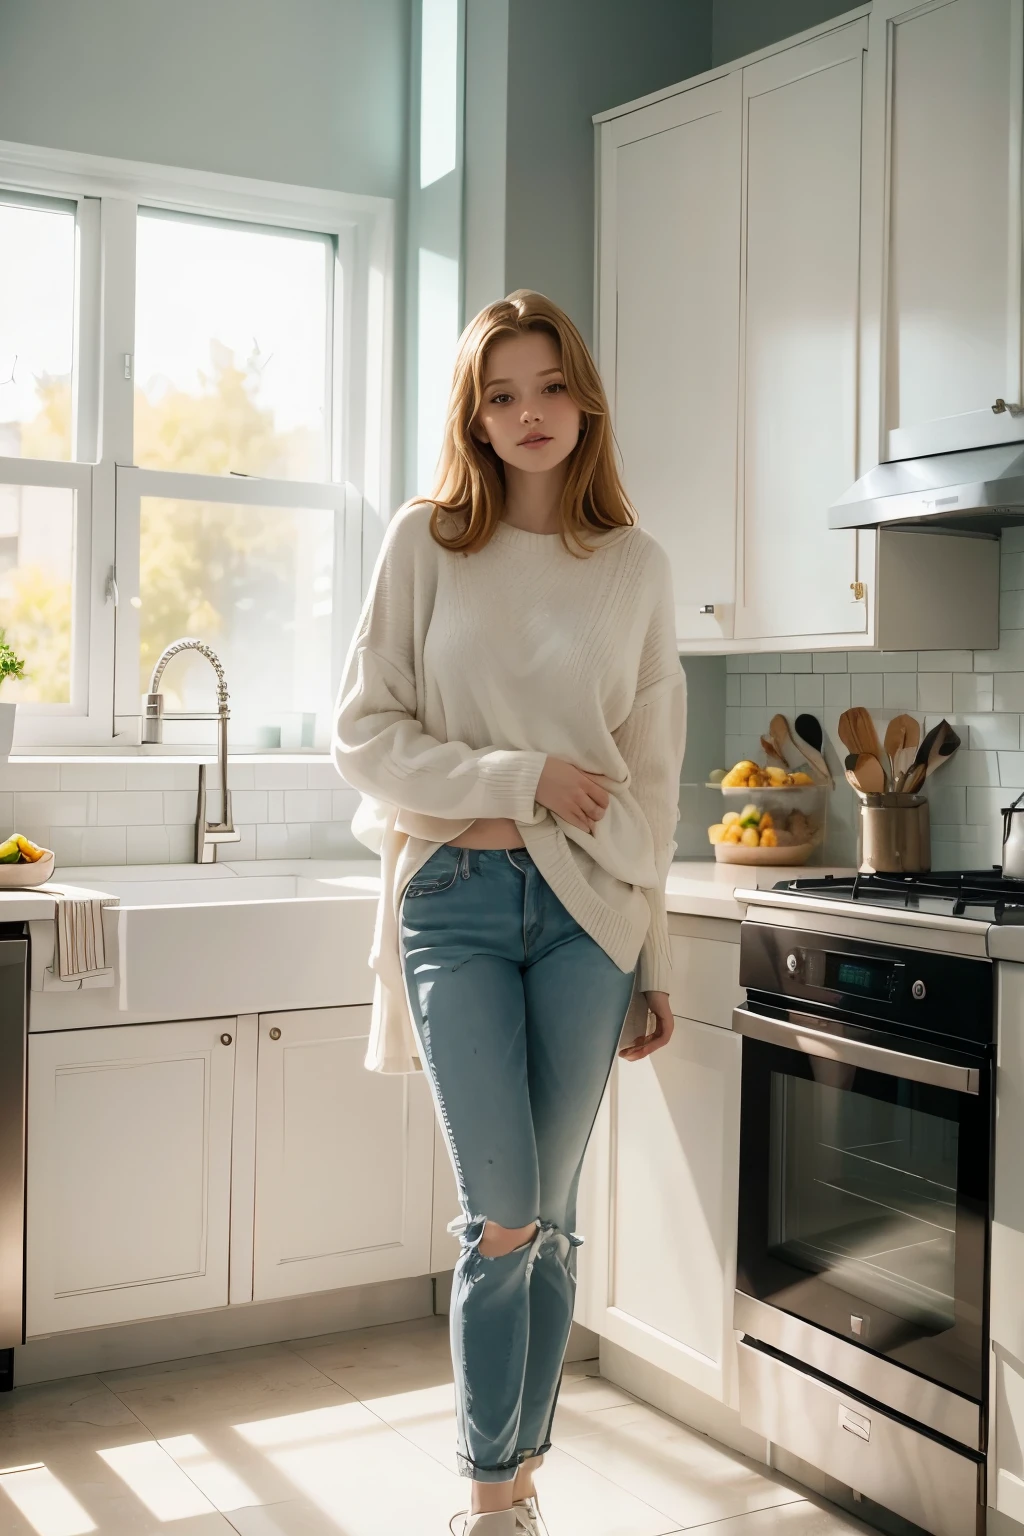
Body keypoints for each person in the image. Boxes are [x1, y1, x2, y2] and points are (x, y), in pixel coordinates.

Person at [332, 289, 686, 1536]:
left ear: (582, 400)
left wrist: (650, 959)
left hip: (593, 917)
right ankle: (489, 1501)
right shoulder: (426, 542)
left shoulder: (634, 566)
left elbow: (650, 778)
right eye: (500, 393)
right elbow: (363, 735)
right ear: (473, 419)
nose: (527, 413)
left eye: (547, 387)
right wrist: (518, 779)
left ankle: (523, 1469)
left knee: (557, 1215)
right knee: (505, 1215)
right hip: (456, 907)